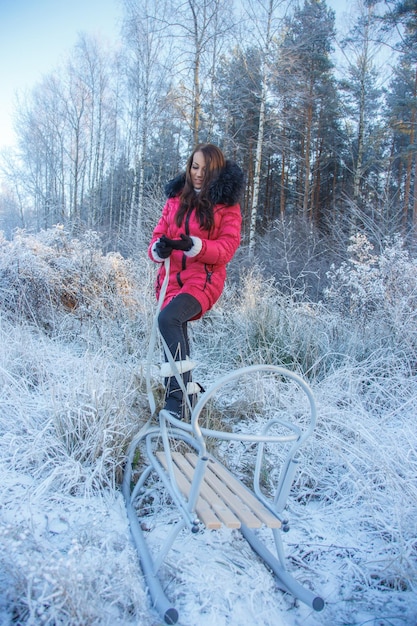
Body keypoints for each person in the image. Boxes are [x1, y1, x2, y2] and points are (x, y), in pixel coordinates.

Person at [148, 143, 244, 418]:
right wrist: (159, 248)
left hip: (203, 279)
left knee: (168, 320)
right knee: (173, 333)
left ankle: (175, 403)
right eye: (195, 166)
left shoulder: (228, 206)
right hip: (170, 280)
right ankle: (188, 397)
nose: (198, 173)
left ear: (217, 171)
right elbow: (156, 235)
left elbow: (226, 248)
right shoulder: (175, 199)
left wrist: (196, 246)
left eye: (205, 168)